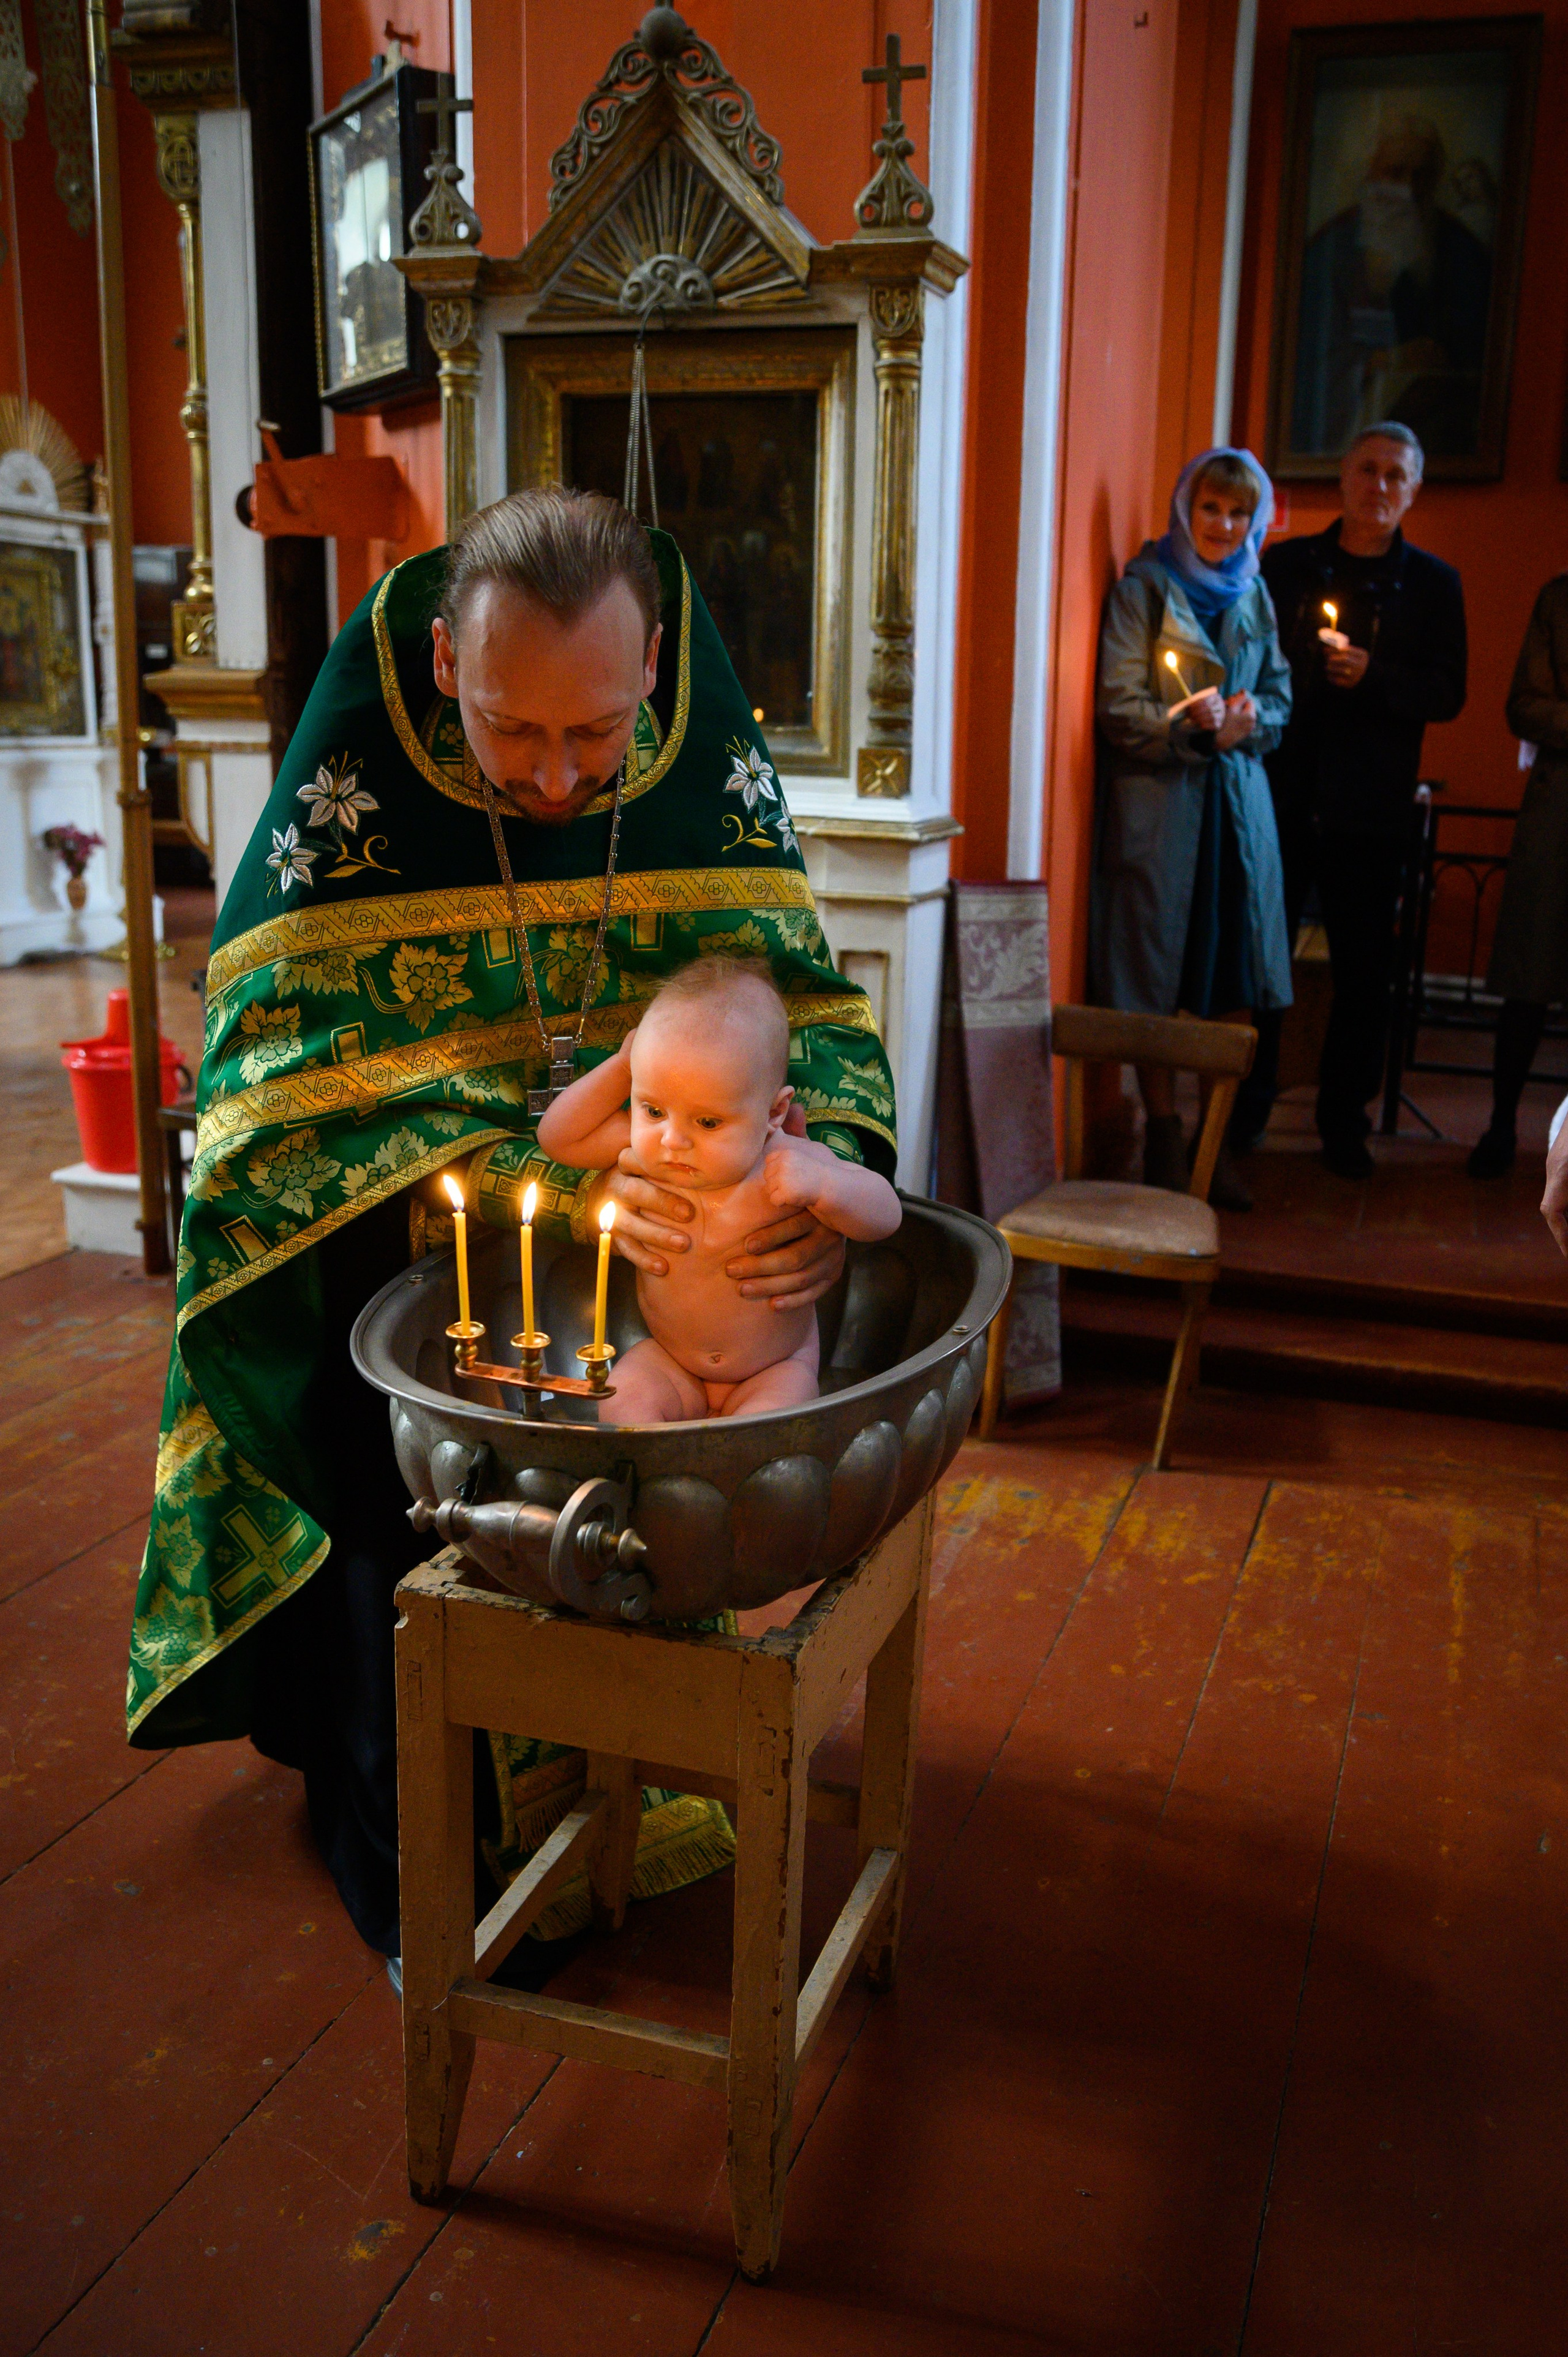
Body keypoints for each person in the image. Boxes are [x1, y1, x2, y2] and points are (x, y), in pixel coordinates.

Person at [127, 488, 897, 1971]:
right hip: (421, 1288)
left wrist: (823, 1181)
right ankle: (437, 1845)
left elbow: (812, 1025)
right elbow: (264, 1128)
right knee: (394, 1447)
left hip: (671, 1302)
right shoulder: (347, 811)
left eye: (596, 736)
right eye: (511, 730)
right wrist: (511, 1187)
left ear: (655, 666)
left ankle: (649, 1781)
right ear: (439, 668)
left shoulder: (698, 791)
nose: (554, 780)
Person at [1234, 421, 1467, 1178]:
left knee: (1364, 972)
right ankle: (1248, 1108)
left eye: (1395, 476)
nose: (1379, 487)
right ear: (1341, 479)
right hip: (1283, 790)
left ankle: (1343, 1119)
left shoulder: (1433, 583)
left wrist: (1375, 678)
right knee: (1263, 959)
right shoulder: (1287, 564)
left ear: (1414, 490)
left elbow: (1448, 692)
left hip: (1371, 807)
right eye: (1367, 470)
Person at [539, 956, 902, 1424]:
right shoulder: (650, 1152)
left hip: (773, 1368)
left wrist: (827, 1186)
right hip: (671, 1363)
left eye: (708, 1122)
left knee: (764, 1436)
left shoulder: (786, 1159)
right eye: (652, 1109)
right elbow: (558, 1136)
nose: (673, 1139)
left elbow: (886, 1213)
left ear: (774, 1113)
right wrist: (622, 1066)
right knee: (620, 1405)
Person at [1093, 445, 1293, 1212]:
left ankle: (1214, 1144)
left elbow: (1279, 696)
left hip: (1236, 814)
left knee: (1234, 973)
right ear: (1185, 508)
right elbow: (1118, 705)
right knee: (1154, 977)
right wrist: (1183, 720)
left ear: (1255, 519)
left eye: (1238, 511)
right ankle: (1164, 1137)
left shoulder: (1255, 592)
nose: (1223, 523)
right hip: (1164, 811)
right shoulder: (1145, 586)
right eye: (1210, 507)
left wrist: (1249, 721)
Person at [1469, 577, 1568, 1176]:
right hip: (1559, 810)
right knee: (1528, 978)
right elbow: (1523, 705)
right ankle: (1500, 1123)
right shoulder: (1558, 599)